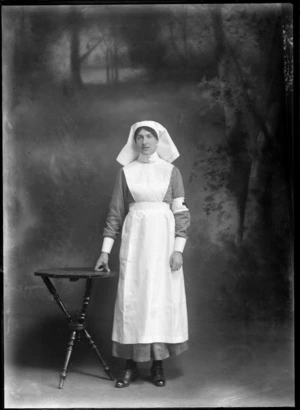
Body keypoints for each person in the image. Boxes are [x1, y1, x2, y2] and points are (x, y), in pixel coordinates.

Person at [94, 120, 191, 388]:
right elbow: (115, 213)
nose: (145, 141)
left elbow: (181, 213)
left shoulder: (172, 172)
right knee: (133, 300)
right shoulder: (126, 172)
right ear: (134, 141)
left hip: (163, 244)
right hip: (135, 243)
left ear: (159, 140)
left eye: (150, 136)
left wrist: (178, 250)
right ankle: (130, 366)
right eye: (140, 137)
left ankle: (158, 366)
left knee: (160, 300)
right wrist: (105, 252)